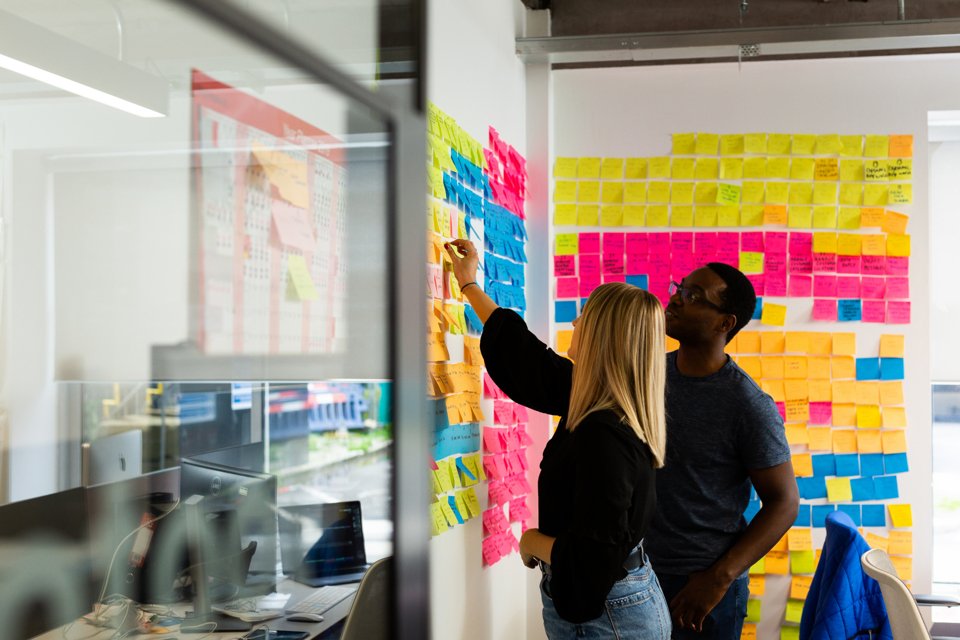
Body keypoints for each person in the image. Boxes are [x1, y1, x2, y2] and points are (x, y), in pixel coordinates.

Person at [445, 238, 671, 639]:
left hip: (609, 618)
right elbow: (527, 360)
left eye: (583, 317)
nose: (574, 324)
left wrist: (533, 541)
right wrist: (469, 285)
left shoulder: (604, 434)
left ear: (604, 336)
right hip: (620, 605)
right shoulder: (604, 399)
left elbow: (593, 557)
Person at [651, 264, 799, 639]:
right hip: (638, 574)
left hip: (701, 586)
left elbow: (784, 503)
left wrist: (719, 579)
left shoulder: (747, 404)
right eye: (681, 288)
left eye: (694, 296)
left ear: (724, 324)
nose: (676, 299)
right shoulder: (649, 374)